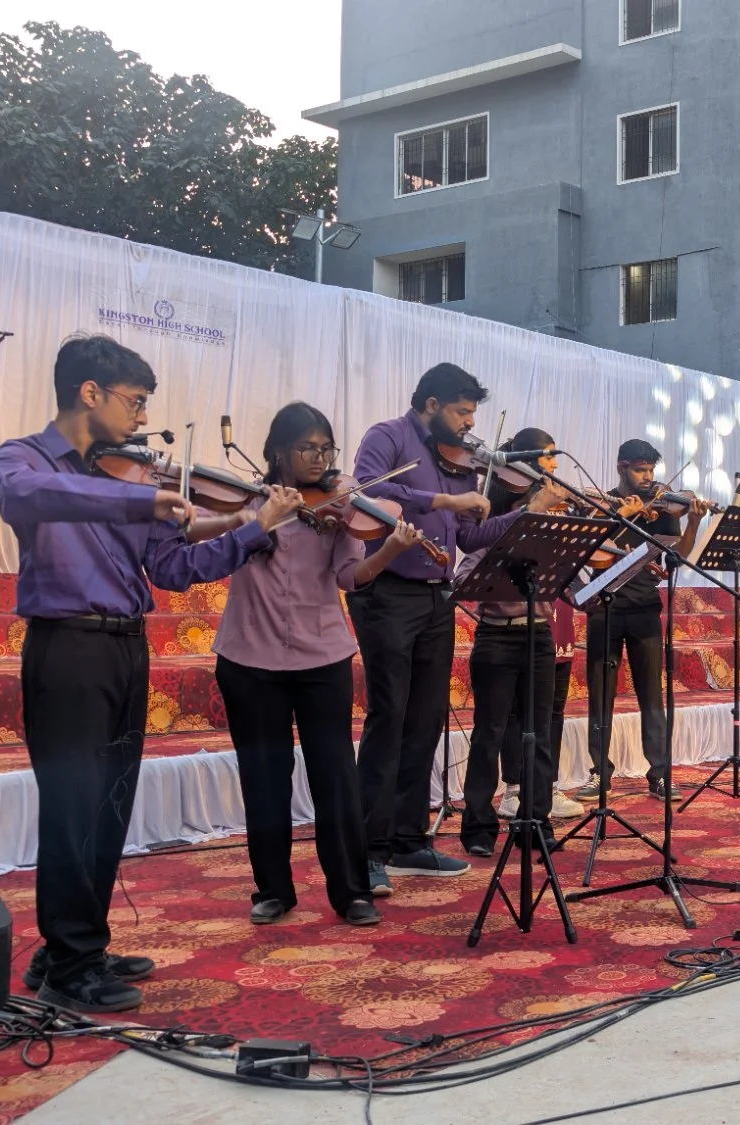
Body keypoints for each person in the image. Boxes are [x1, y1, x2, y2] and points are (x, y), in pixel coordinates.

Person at [0, 335, 300, 1012]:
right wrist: (141, 502)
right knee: (73, 807)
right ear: (88, 392)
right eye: (133, 402)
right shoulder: (23, 459)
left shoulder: (129, 479)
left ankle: (76, 947)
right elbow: (28, 495)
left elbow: (172, 569)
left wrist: (250, 528)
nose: (140, 420)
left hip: (127, 647)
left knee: (108, 806)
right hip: (67, 648)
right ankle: (71, 961)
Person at [212, 402, 414, 928]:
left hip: (322, 656)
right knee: (264, 776)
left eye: (327, 448)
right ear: (279, 453)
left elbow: (352, 577)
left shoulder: (342, 505)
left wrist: (389, 550)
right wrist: (259, 522)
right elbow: (217, 547)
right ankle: (273, 888)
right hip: (248, 656)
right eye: (308, 448)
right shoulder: (253, 506)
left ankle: (350, 890)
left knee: (335, 777)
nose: (320, 458)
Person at [349, 362, 523, 897]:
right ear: (430, 404)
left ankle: (408, 840)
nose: (470, 423)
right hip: (387, 593)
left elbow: (470, 539)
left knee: (426, 720)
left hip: (437, 597)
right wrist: (443, 500)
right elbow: (364, 499)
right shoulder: (387, 437)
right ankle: (368, 851)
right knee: (389, 716)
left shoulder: (463, 462)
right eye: (462, 411)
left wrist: (525, 515)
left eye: (474, 413)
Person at [459, 428, 588, 858]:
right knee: (489, 733)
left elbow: (573, 585)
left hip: (539, 637)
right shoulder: (493, 523)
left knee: (539, 734)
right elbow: (462, 578)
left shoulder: (550, 524)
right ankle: (478, 826)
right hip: (496, 637)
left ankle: (536, 819)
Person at [577, 439, 712, 802]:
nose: (649, 478)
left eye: (652, 470)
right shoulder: (600, 506)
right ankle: (599, 774)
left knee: (652, 696)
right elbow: (587, 557)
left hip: (645, 609)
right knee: (600, 696)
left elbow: (677, 559)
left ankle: (660, 773)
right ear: (621, 467)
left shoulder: (665, 507)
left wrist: (693, 523)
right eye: (640, 470)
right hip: (603, 608)